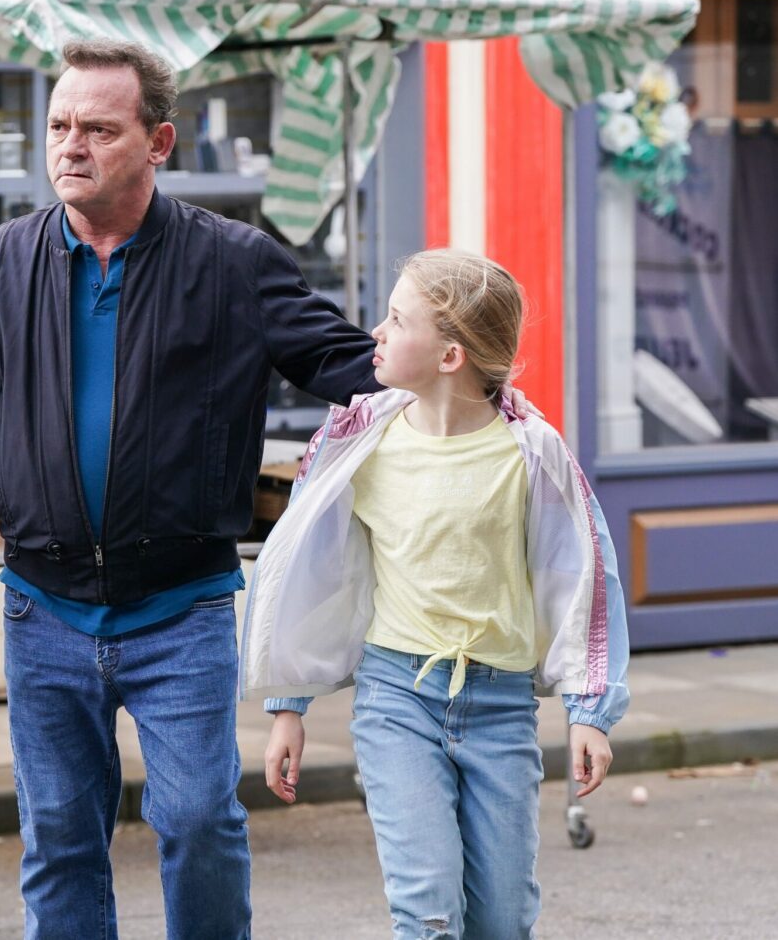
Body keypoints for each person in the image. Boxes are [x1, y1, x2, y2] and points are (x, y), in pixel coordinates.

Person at [0, 37, 384, 939]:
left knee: (199, 822)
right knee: (59, 839)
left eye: (98, 128)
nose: (70, 145)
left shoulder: (236, 263)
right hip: (42, 607)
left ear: (159, 142)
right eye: (59, 125)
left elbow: (353, 366)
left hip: (181, 608)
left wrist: (463, 379)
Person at [243, 249, 629, 939]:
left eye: (397, 320)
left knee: (501, 919)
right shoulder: (358, 439)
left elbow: (581, 577)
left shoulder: (532, 453)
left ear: (450, 356)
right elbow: (308, 571)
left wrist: (588, 711)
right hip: (395, 700)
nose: (376, 332)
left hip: (500, 708)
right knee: (427, 912)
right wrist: (288, 706)